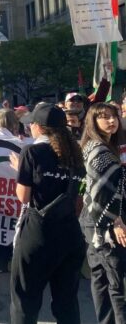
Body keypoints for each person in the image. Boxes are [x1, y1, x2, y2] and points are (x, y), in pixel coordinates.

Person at [10, 103, 86, 324]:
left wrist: (20, 172)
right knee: (67, 302)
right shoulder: (75, 154)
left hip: (38, 233)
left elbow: (24, 196)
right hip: (70, 234)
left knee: (25, 300)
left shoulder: (32, 151)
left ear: (39, 127)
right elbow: (77, 201)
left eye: (31, 123)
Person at [79, 103, 126, 323]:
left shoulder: (94, 145)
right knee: (117, 283)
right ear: (93, 121)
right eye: (104, 117)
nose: (111, 120)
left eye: (114, 116)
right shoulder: (100, 151)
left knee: (100, 279)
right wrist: (115, 220)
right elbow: (102, 195)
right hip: (105, 223)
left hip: (93, 222)